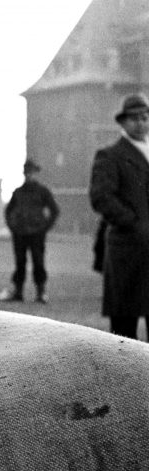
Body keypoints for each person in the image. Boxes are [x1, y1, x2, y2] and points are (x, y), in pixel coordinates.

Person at [89, 92, 149, 340]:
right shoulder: (110, 155)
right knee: (124, 335)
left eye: (145, 117)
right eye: (134, 118)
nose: (141, 123)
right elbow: (101, 197)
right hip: (127, 253)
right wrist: (134, 223)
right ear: (123, 123)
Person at [4, 159, 59, 302]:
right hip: (20, 233)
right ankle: (18, 292)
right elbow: (8, 211)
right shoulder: (18, 192)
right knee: (20, 263)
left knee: (38, 262)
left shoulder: (43, 191)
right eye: (27, 173)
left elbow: (54, 210)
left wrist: (45, 228)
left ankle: (41, 292)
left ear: (35, 174)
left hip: (36, 234)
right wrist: (13, 227)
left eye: (31, 173)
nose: (29, 176)